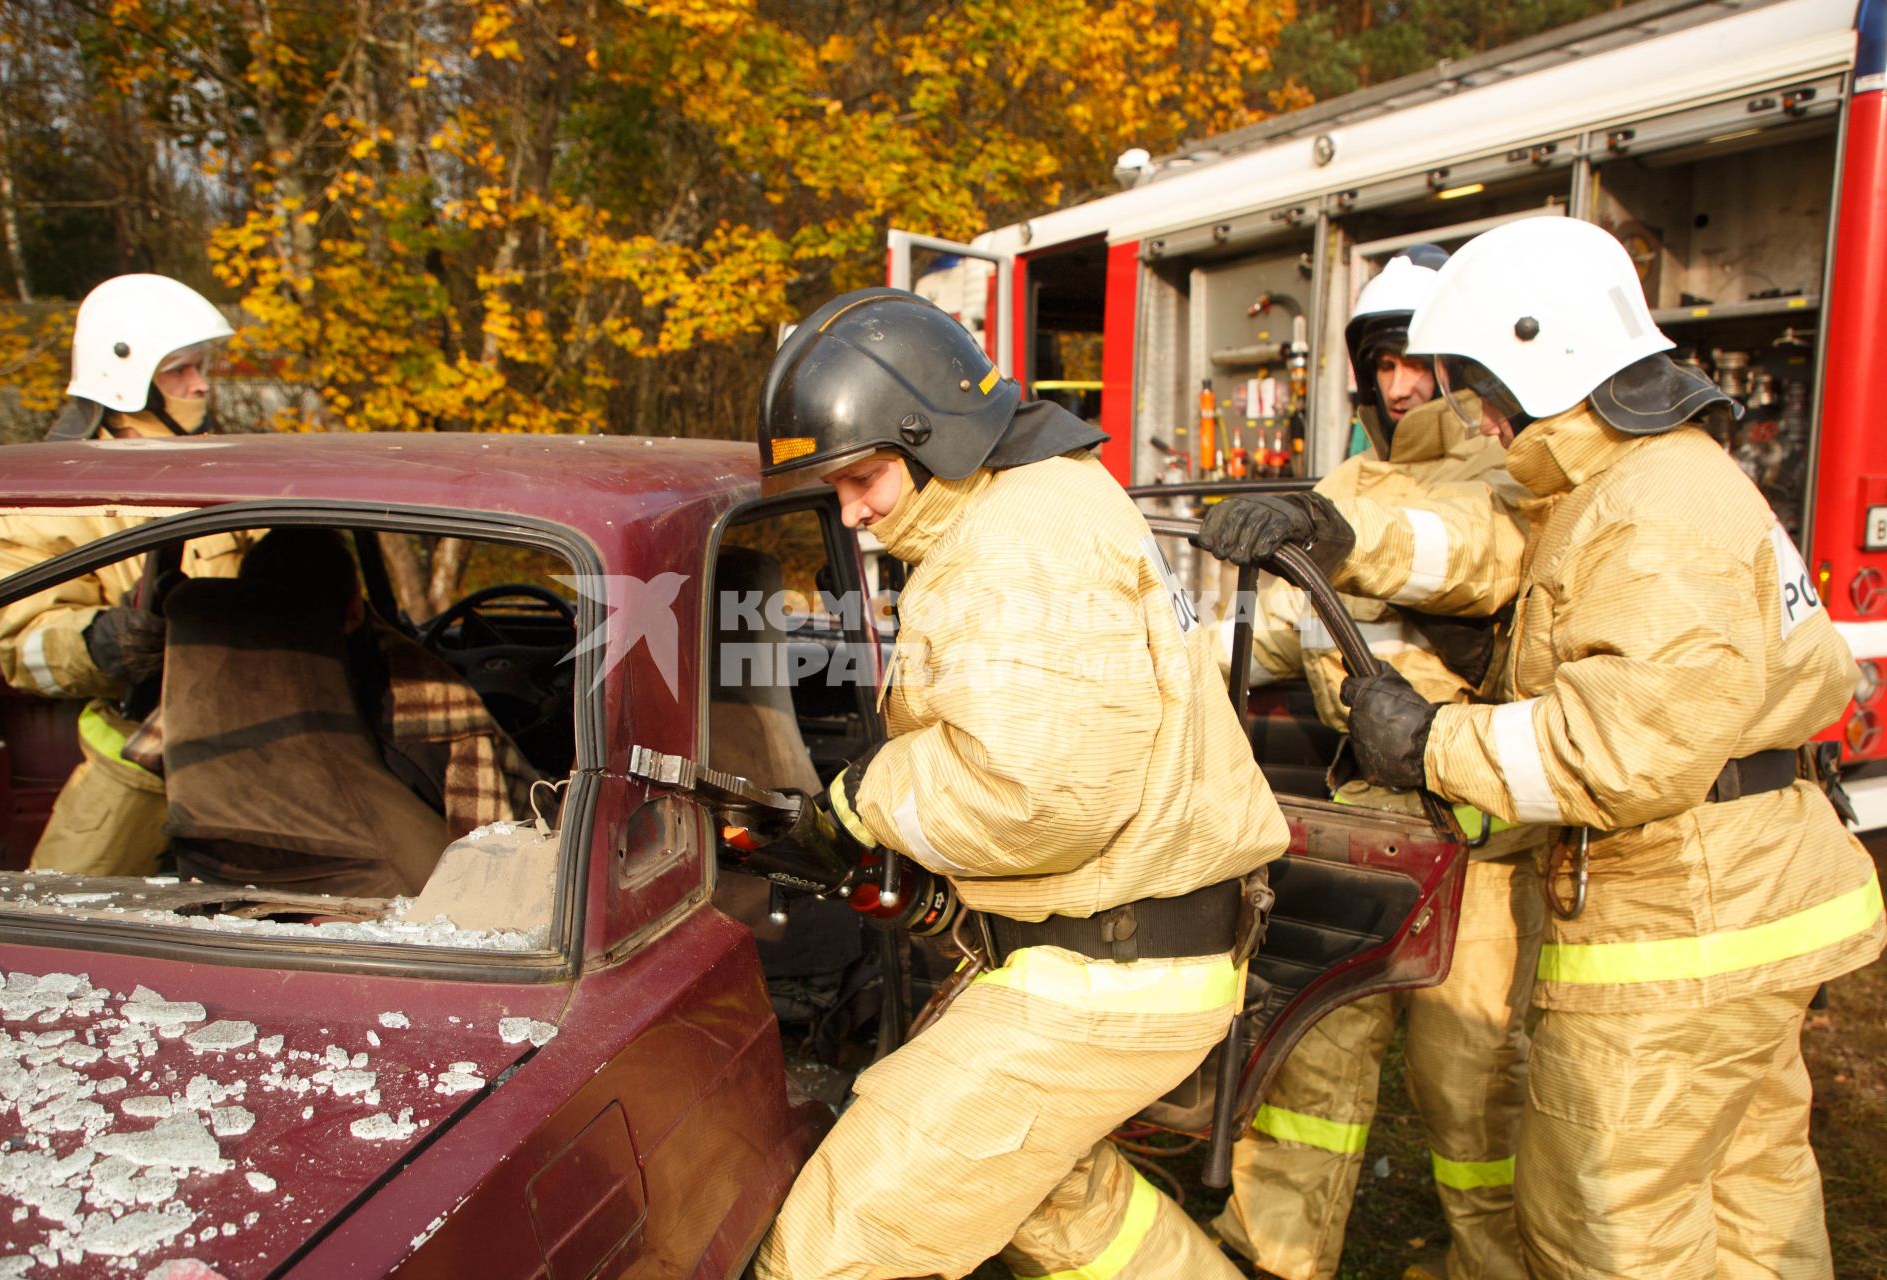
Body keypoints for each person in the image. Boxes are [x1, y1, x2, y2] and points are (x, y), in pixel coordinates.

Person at [1305, 216, 1880, 1279]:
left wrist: (1430, 739)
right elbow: (1493, 541)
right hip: (1745, 908)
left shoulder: (1651, 513)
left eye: (1480, 380)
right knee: (1751, 1201)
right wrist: (1346, 534)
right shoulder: (1649, 480)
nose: (1471, 408)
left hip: (1680, 931)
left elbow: (1621, 753)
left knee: (1611, 1220)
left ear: (1541, 354)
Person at [749, 287, 1292, 1279]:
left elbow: (1037, 798)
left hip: (1105, 969)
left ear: (934, 432)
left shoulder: (1016, 545)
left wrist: (861, 798)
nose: (853, 513)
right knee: (1064, 1206)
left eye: (864, 477)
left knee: (837, 1244)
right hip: (1105, 944)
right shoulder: (1019, 509)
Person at [1206, 248, 1543, 1280]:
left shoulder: (1504, 471)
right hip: (1369, 837)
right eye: (1378, 362)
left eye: (1414, 361)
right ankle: (1275, 1256)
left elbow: (1465, 553)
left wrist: (1344, 537)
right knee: (1310, 1063)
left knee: (1475, 1087)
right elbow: (1272, 637)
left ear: (1458, 366)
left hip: (1486, 853)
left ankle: (1501, 1263)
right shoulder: (1346, 481)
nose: (1397, 384)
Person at [0, 273, 250, 878]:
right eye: (179, 371)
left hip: (260, 726)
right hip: (137, 745)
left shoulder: (239, 480)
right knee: (63, 921)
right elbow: (24, 647)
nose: (199, 386)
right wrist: (98, 640)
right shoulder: (54, 500)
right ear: (128, 379)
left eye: (200, 368)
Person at [159, 528, 540, 896]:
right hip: (398, 913)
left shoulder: (198, 690)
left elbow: (146, 768)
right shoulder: (439, 704)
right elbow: (493, 856)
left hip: (218, 896)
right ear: (355, 611)